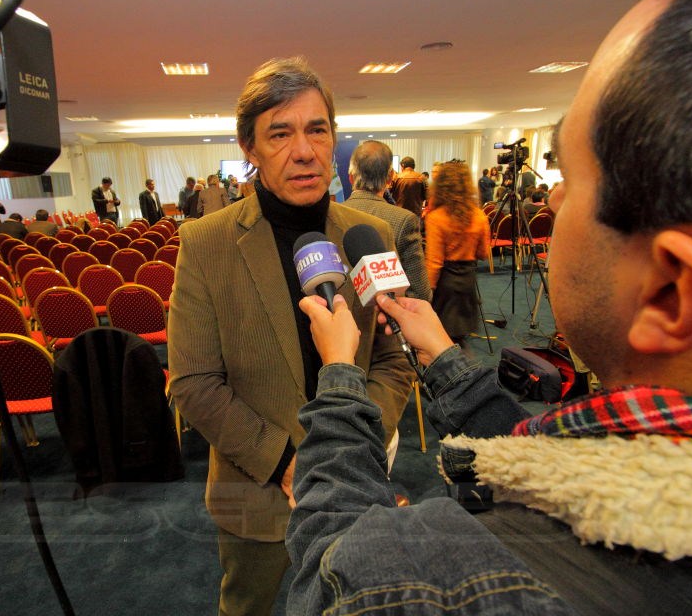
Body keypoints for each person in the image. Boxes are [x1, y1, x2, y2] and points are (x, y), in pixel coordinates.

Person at [286, 0, 692, 612]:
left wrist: (341, 378)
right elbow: (551, 468)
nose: (552, 200)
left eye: (574, 178)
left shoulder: (455, 587)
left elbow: (327, 574)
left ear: (671, 293)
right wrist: (449, 365)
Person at [168, 56, 413, 616]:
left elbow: (393, 360)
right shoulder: (205, 243)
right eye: (280, 134)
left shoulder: (370, 234)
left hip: (355, 481)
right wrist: (287, 462)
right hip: (255, 490)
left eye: (317, 130)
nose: (304, 151)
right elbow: (194, 383)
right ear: (249, 149)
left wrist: (350, 446)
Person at [344, 140, 431, 301]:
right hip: (388, 314)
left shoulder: (331, 216)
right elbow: (420, 293)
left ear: (350, 177)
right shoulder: (404, 221)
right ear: (390, 177)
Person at [424, 161, 490, 346]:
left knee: (441, 339)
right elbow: (483, 253)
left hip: (445, 283)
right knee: (459, 338)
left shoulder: (436, 217)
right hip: (468, 279)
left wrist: (427, 294)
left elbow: (434, 262)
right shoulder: (479, 216)